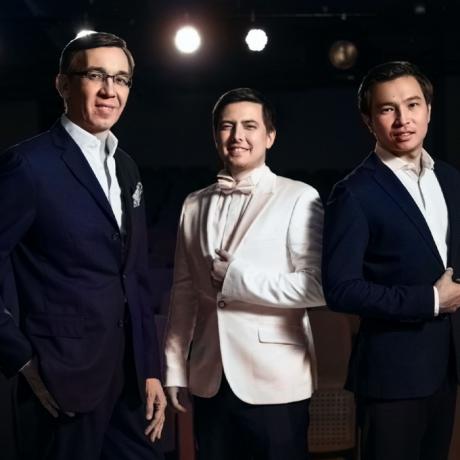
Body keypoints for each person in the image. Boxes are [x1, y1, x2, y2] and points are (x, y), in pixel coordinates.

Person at [0, 31, 166, 460]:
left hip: (128, 379)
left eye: (121, 79)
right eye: (96, 75)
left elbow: (135, 274)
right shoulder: (28, 165)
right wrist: (20, 357)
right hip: (60, 375)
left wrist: (149, 369)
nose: (111, 90)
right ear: (63, 85)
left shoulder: (126, 167)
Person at [164, 87, 324, 460]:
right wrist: (174, 368)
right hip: (210, 377)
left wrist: (238, 280)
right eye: (227, 126)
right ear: (215, 136)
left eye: (250, 126)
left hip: (277, 381)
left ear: (270, 136)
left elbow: (316, 287)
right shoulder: (194, 203)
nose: (237, 136)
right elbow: (183, 293)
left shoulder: (300, 197)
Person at [322, 61, 460, 460]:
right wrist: (430, 301)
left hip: (445, 369)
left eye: (413, 105)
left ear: (429, 110)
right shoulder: (354, 192)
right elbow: (341, 290)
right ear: (369, 121)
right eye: (387, 109)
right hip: (391, 376)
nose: (403, 119)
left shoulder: (451, 179)